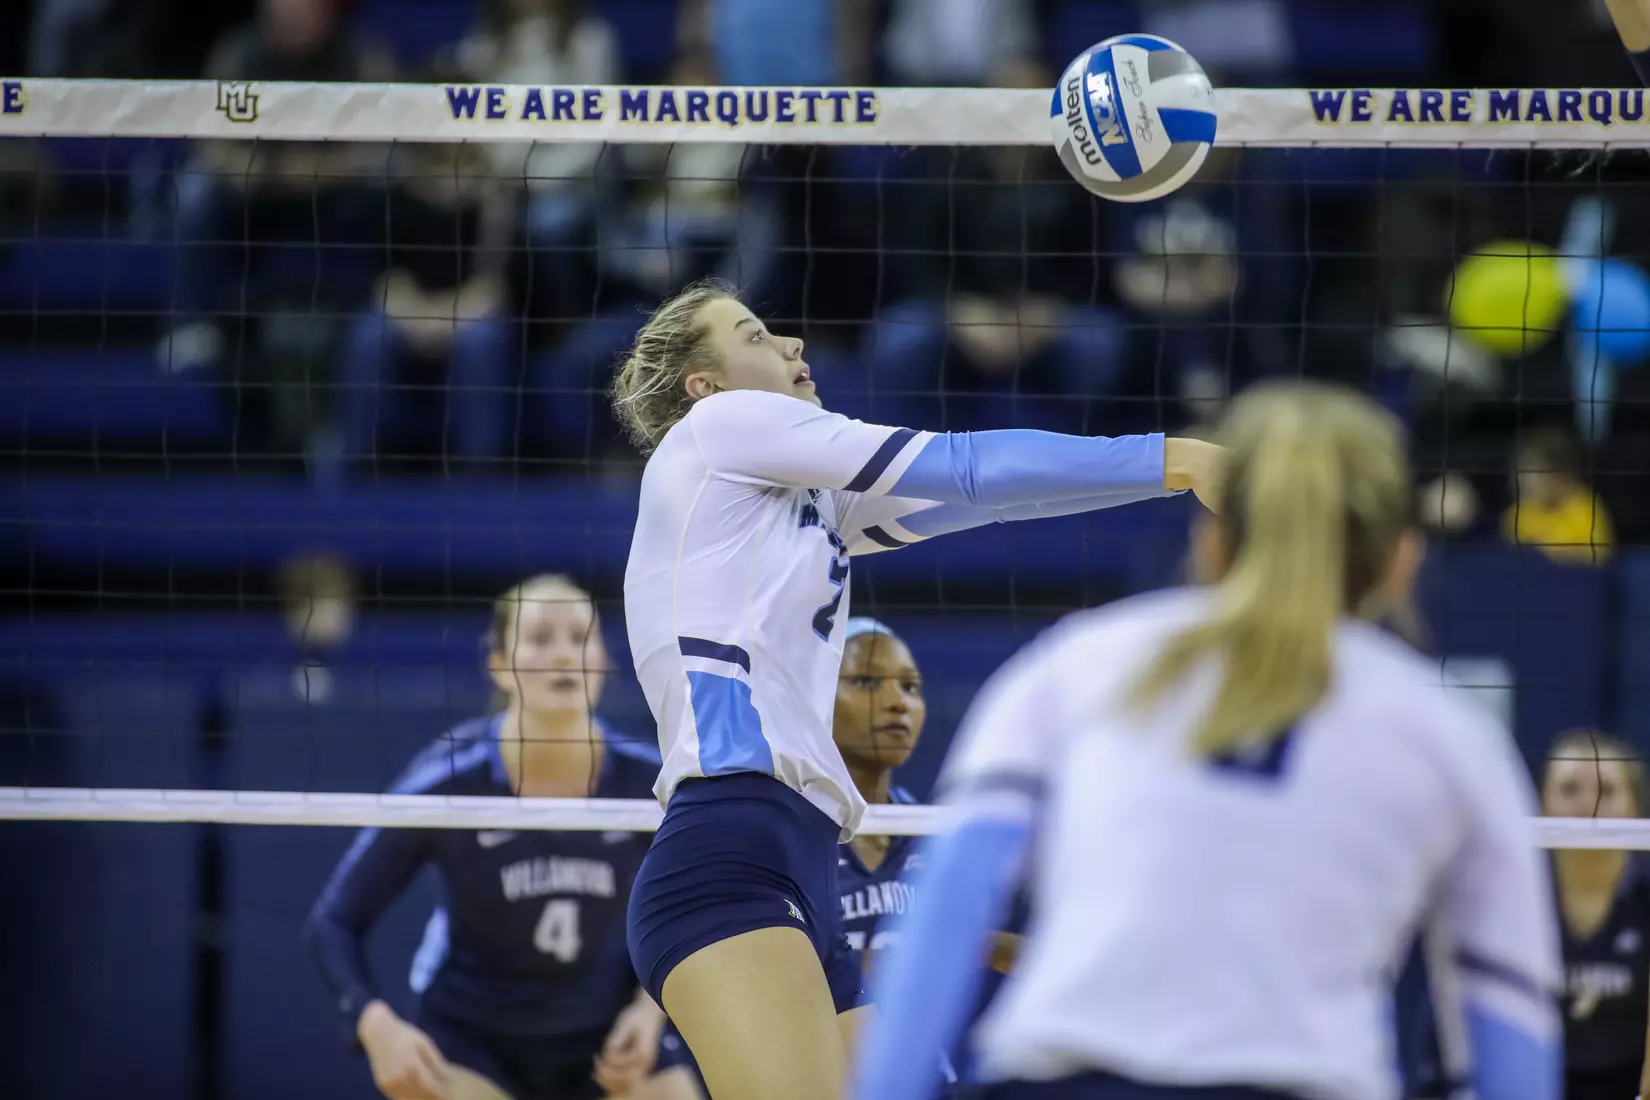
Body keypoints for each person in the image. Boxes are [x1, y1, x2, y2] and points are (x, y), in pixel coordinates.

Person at [854, 381, 1561, 1100]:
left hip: (1068, 1075)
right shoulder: (1449, 734)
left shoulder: (1078, 662)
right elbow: (1509, 1013)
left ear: (1212, 542)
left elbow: (946, 917)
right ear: (1401, 561)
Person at [612, 277, 1222, 1100]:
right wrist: (1176, 454)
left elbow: (1004, 495)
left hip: (803, 863)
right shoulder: (719, 428)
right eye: (756, 335)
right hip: (728, 855)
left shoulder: (804, 500)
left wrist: (1169, 481)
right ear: (703, 384)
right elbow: (966, 464)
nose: (792, 346)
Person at [305, 575, 685, 1100]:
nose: (562, 655)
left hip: (610, 1039)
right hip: (473, 1040)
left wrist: (651, 1013)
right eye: (540, 638)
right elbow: (334, 921)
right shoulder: (450, 782)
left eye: (579, 638)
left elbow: (698, 912)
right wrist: (376, 1027)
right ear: (499, 664)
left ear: (603, 662)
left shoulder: (652, 784)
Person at [1541, 730, 1650, 1100]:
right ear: (1541, 805)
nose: (1588, 804)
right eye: (1570, 789)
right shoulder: (1516, 899)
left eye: (1605, 790)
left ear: (1635, 809)